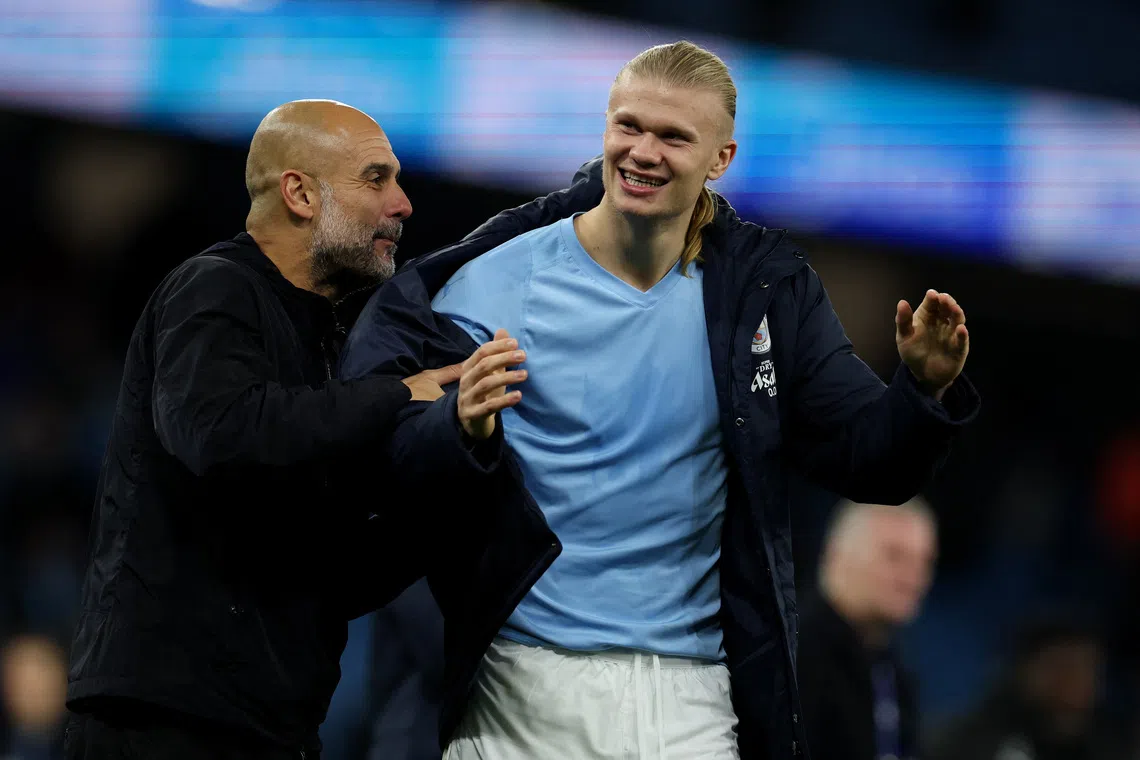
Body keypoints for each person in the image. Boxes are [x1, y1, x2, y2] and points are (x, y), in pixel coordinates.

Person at [340, 41, 981, 760]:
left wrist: (923, 388)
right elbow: (394, 471)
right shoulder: (492, 284)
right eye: (628, 126)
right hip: (520, 683)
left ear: (721, 159)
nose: (642, 152)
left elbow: (872, 461)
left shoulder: (764, 297)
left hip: (690, 697)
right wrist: (455, 428)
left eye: (673, 136)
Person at [62, 99, 462, 760]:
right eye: (375, 178)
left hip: (270, 728)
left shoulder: (327, 348)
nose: (404, 203)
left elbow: (331, 576)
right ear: (300, 193)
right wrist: (395, 394)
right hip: (164, 722)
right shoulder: (214, 287)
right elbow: (217, 430)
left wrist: (453, 474)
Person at [796, 498, 937, 760]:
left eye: (924, 562)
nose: (913, 577)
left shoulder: (894, 671)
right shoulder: (792, 657)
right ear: (838, 554)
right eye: (894, 556)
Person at [927, 617, 1128, 760]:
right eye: (1062, 668)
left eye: (1089, 670)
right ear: (1024, 669)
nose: (1074, 686)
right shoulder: (968, 742)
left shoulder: (1109, 746)